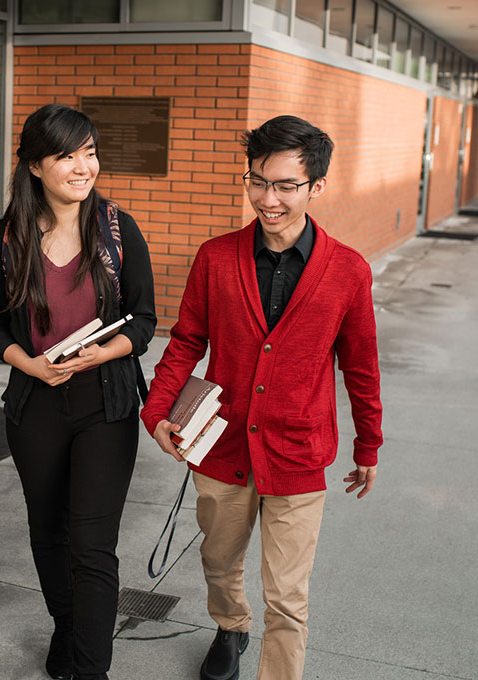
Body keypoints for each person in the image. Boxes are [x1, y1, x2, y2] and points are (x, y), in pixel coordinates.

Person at [140, 115, 383, 680]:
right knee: (218, 563)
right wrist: (157, 411)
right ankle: (230, 627)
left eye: (283, 185)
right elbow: (185, 341)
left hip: (298, 452)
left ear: (315, 187)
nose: (266, 198)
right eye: (256, 181)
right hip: (222, 449)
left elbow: (361, 367)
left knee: (289, 596)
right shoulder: (216, 257)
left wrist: (368, 445)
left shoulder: (348, 271)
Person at [0, 104, 156, 680]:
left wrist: (107, 351)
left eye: (90, 152)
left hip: (105, 404)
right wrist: (26, 363)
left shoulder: (117, 229)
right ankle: (69, 625)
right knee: (48, 533)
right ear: (34, 166)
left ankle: (90, 667)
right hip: (35, 407)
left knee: (92, 545)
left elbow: (145, 320)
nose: (84, 167)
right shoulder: (8, 238)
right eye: (66, 156)